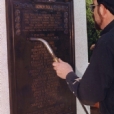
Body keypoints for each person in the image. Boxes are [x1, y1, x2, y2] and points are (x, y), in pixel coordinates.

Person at [52, 0, 114, 114]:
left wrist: (68, 74)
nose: (93, 12)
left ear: (102, 9)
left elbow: (89, 95)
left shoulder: (106, 43)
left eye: (93, 7)